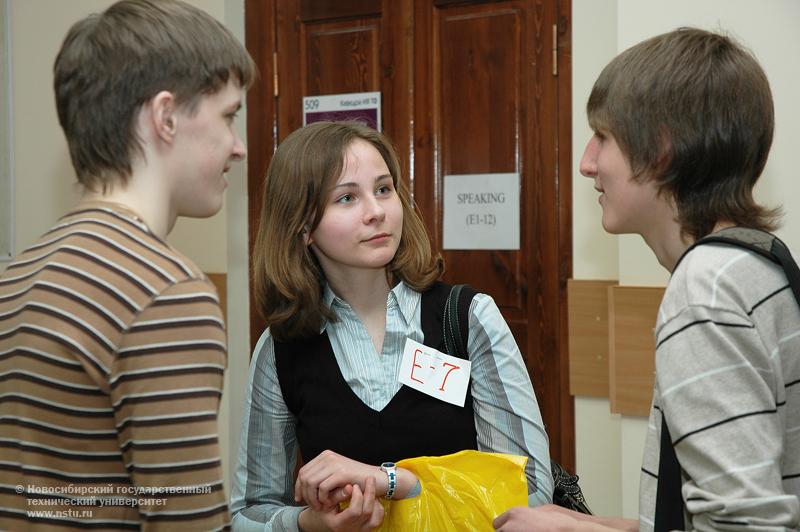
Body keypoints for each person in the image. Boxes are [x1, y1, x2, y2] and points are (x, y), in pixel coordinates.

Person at [493, 27, 800, 531]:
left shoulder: (706, 291)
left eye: (604, 138)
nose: (587, 162)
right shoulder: (758, 262)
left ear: (661, 150)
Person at [0, 0, 254, 529]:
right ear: (165, 117)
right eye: (229, 115)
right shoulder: (167, 294)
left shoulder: (16, 276)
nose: (239, 147)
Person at [230, 120, 553, 531]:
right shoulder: (281, 349)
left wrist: (394, 482)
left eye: (384, 189)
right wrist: (309, 522)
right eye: (347, 197)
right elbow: (247, 513)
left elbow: (532, 490)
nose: (377, 211)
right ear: (303, 226)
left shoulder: (467, 319)